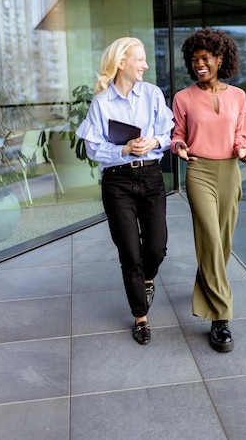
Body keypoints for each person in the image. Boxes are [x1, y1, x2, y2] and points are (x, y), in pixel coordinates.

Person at [76, 37, 174, 345]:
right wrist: (123, 149)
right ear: (122, 63)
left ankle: (148, 278)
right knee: (129, 251)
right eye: (140, 59)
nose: (145, 65)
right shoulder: (101, 102)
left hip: (151, 178)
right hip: (117, 182)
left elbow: (168, 133)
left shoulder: (153, 94)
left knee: (156, 247)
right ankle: (140, 317)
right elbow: (93, 149)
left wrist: (154, 143)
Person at [171, 28, 246, 353]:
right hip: (198, 172)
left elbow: (240, 136)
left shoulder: (238, 96)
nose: (199, 65)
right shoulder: (183, 97)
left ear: (220, 59)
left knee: (221, 243)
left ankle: (204, 292)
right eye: (194, 60)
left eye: (205, 58)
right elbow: (178, 134)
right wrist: (179, 145)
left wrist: (244, 152)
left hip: (229, 172)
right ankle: (220, 318)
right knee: (209, 237)